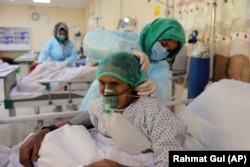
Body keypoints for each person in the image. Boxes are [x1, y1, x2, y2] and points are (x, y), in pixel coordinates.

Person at [19, 51, 186, 167]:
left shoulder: (156, 116)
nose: (106, 92)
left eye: (114, 84)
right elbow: (74, 123)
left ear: (133, 84)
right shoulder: (100, 107)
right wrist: (40, 134)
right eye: (102, 83)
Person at [79, 18, 185, 110]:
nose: (164, 50)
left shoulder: (161, 65)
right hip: (99, 98)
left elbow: (163, 88)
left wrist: (156, 87)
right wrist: (126, 49)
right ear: (154, 34)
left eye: (169, 51)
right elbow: (91, 41)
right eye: (163, 44)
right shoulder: (128, 39)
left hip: (128, 111)